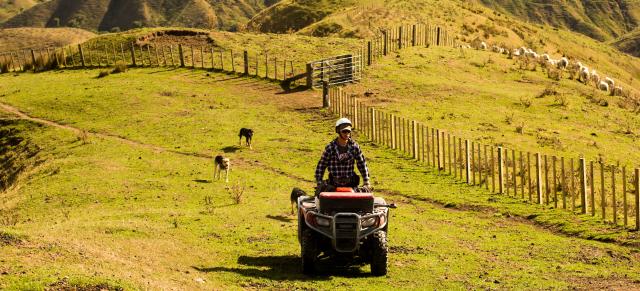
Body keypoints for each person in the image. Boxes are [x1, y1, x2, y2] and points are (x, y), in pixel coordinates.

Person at [315, 117, 371, 193]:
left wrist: (366, 181)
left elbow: (362, 164)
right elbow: (321, 166)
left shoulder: (355, 147)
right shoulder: (330, 148)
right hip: (334, 185)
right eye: (344, 131)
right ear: (338, 131)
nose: (347, 134)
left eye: (348, 131)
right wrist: (319, 182)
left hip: (350, 184)